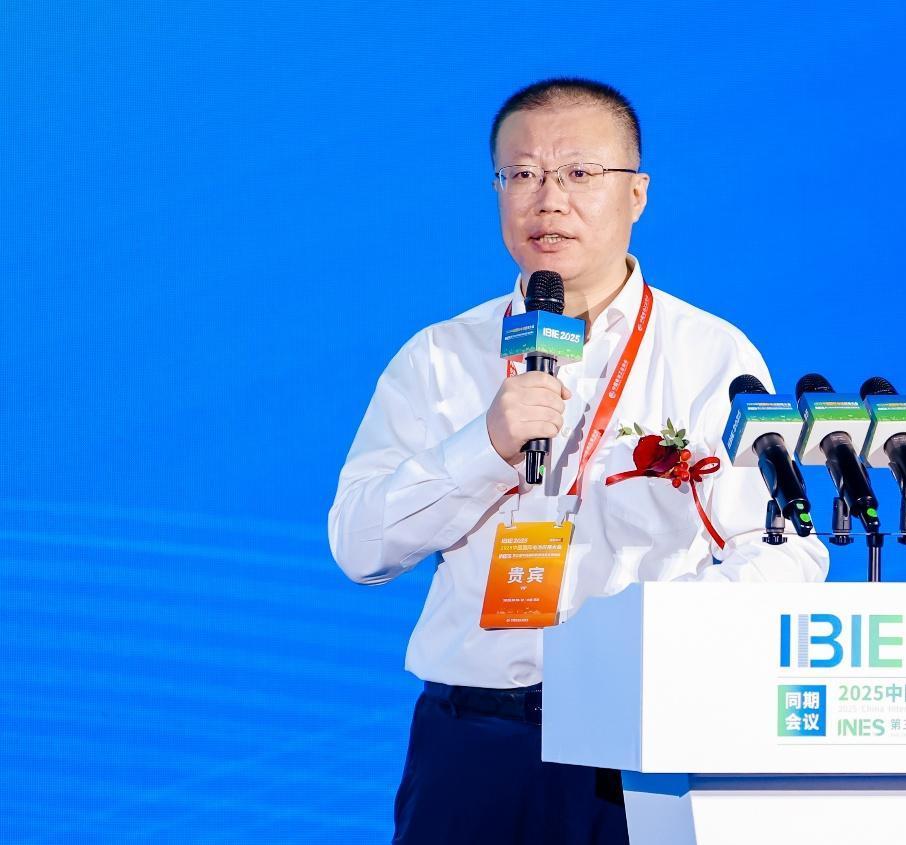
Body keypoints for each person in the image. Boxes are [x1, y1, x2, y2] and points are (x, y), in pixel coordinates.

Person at [328, 77, 829, 845]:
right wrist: (485, 446)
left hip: (639, 736)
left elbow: (785, 547)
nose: (548, 200)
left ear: (637, 194)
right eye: (522, 174)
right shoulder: (440, 356)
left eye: (578, 173)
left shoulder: (709, 355)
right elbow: (358, 546)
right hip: (473, 740)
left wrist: (653, 631)